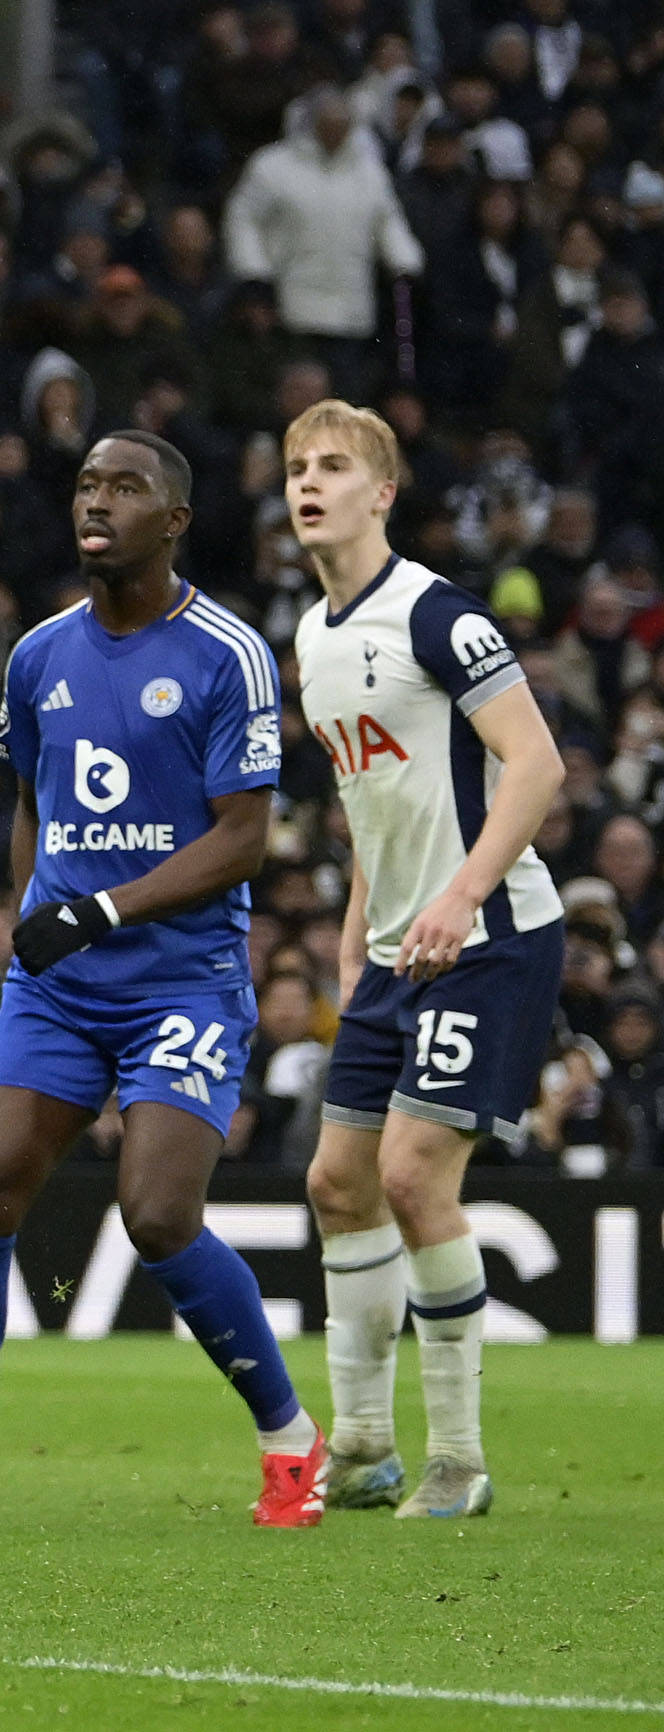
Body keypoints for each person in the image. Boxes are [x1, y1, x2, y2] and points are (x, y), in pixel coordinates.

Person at [0, 430, 318, 1528]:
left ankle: (291, 1442)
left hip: (182, 982)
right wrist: (29, 912)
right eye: (87, 485)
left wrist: (101, 909)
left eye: (125, 487)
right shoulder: (38, 654)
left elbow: (243, 841)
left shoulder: (226, 652)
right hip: (60, 984)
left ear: (174, 520)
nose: (98, 502)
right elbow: (33, 803)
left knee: (158, 1213)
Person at [286, 400, 567, 1522]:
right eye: (298, 465)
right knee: (335, 1182)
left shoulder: (437, 615)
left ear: (382, 493)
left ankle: (458, 1458)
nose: (310, 481)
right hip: (400, 945)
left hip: (491, 938)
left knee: (410, 1178)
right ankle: (361, 1446)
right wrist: (363, 919)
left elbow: (537, 765)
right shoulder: (309, 637)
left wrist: (459, 893)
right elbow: (378, 798)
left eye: (335, 465)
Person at [222, 85, 423, 397]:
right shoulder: (273, 167)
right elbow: (243, 220)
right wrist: (254, 275)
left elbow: (388, 221)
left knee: (344, 406)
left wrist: (405, 259)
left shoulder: (368, 173)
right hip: (292, 313)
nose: (336, 133)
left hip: (351, 313)